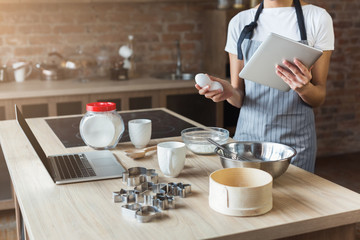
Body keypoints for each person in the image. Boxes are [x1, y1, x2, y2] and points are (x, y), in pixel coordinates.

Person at [196, 0, 334, 172]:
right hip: (247, 143)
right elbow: (239, 98)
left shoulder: (317, 18)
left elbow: (319, 96)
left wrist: (303, 88)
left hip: (295, 146)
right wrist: (228, 91)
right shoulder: (239, 22)